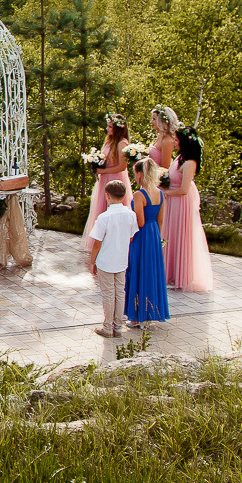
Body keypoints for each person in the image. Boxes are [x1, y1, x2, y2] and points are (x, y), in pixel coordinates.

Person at [162, 125, 215, 293]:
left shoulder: (190, 162)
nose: (174, 142)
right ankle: (169, 272)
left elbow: (184, 190)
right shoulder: (180, 158)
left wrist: (165, 193)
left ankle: (180, 275)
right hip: (173, 200)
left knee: (179, 234)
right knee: (170, 234)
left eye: (177, 140)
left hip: (181, 202)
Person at [125, 157, 171, 328]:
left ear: (140, 174)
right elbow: (160, 220)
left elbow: (141, 222)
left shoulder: (139, 195)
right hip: (154, 235)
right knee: (151, 272)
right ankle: (149, 314)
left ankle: (137, 317)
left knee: (137, 271)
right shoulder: (160, 193)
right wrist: (157, 238)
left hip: (141, 236)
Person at [87, 180, 137, 338]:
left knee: (108, 294)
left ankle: (108, 327)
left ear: (107, 196)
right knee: (120, 292)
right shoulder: (131, 215)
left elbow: (97, 243)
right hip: (121, 260)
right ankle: (118, 327)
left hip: (105, 260)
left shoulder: (104, 217)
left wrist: (92, 261)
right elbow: (131, 237)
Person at [82, 115, 132, 241]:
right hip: (104, 179)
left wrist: (103, 171)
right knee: (101, 209)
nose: (107, 129)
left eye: (110, 126)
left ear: (118, 128)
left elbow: (122, 166)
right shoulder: (110, 141)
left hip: (115, 179)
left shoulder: (122, 143)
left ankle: (114, 240)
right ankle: (101, 241)